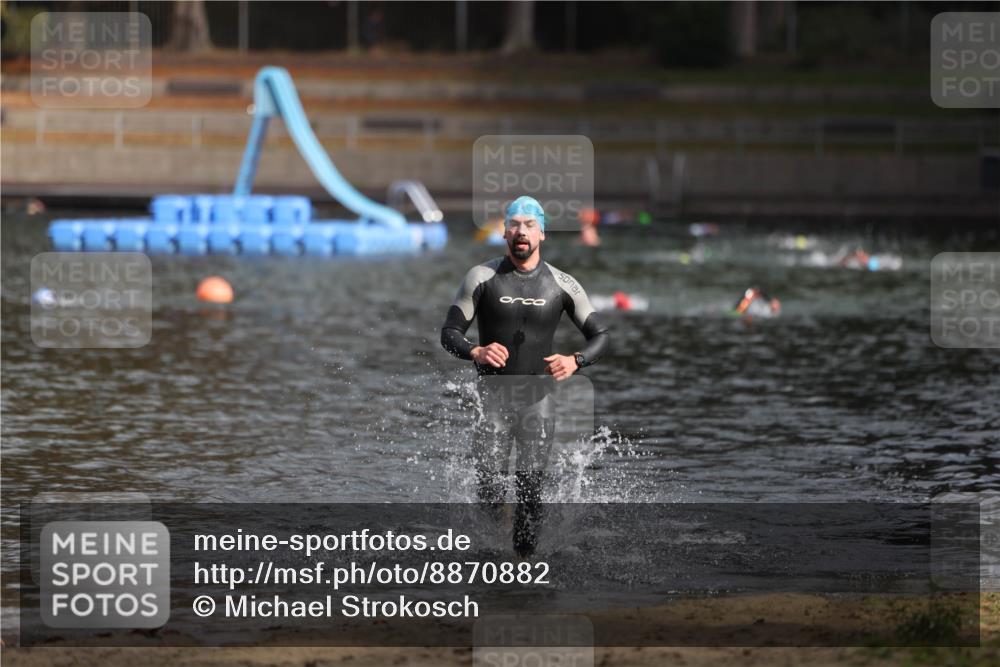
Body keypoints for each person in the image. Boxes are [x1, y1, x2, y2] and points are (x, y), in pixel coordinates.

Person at [440, 195, 610, 556]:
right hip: (493, 400)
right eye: (514, 224)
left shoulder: (563, 284)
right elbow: (449, 333)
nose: (521, 232)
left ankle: (525, 572)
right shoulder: (481, 277)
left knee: (531, 489)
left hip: (538, 401)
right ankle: (492, 567)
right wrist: (476, 351)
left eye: (529, 225)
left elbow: (601, 336)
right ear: (504, 231)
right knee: (489, 490)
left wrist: (576, 361)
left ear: (542, 233)